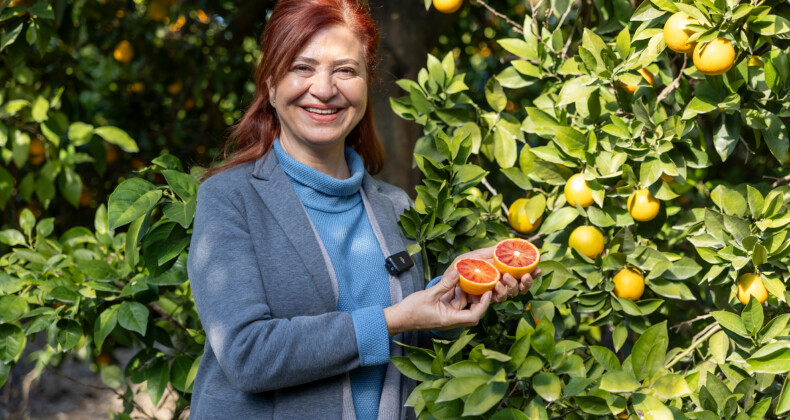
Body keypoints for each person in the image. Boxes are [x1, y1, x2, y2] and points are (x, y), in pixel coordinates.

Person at [186, 0, 536, 419]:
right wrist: (391, 320)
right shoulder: (230, 198)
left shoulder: (393, 205)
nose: (324, 88)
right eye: (302, 67)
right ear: (271, 86)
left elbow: (408, 349)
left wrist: (456, 290)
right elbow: (247, 355)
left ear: (366, 85)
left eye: (345, 70)